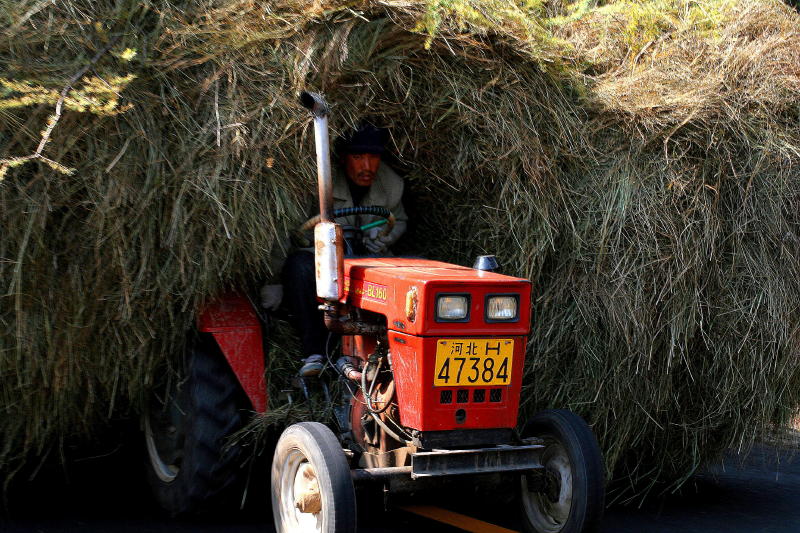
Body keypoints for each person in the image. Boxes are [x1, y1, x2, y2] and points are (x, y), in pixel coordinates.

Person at [260, 124, 407, 377]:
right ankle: (314, 353)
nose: (367, 166)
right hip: (320, 259)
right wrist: (273, 280)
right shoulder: (316, 184)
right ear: (343, 158)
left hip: (369, 259)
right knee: (299, 267)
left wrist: (385, 237)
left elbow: (400, 220)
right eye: (358, 157)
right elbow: (284, 231)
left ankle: (386, 352)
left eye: (373, 157)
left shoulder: (391, 184)